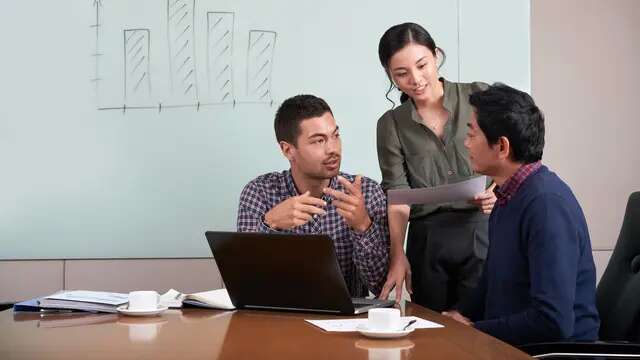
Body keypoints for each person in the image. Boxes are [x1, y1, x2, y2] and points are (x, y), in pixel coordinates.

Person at [442, 83, 600, 345]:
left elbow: (553, 322)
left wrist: (474, 331)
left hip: (551, 353)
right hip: (509, 345)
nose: (466, 143)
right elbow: (490, 284)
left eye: (472, 134)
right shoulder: (507, 197)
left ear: (502, 147)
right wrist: (454, 317)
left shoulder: (546, 206)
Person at [376, 22, 496, 310]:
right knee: (432, 331)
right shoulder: (391, 124)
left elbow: (512, 155)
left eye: (422, 65)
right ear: (389, 75)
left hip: (483, 228)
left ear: (436, 55)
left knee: (482, 329)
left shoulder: (479, 96)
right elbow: (398, 198)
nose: (415, 80)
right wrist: (397, 256)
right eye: (401, 74)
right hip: (428, 239)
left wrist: (498, 192)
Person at [237, 94, 390, 297]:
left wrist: (362, 226)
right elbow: (244, 278)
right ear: (288, 150)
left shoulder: (366, 192)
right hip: (279, 319)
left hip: (344, 322)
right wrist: (270, 223)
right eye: (318, 141)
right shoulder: (260, 192)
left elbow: (381, 285)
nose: (332, 149)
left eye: (335, 136)